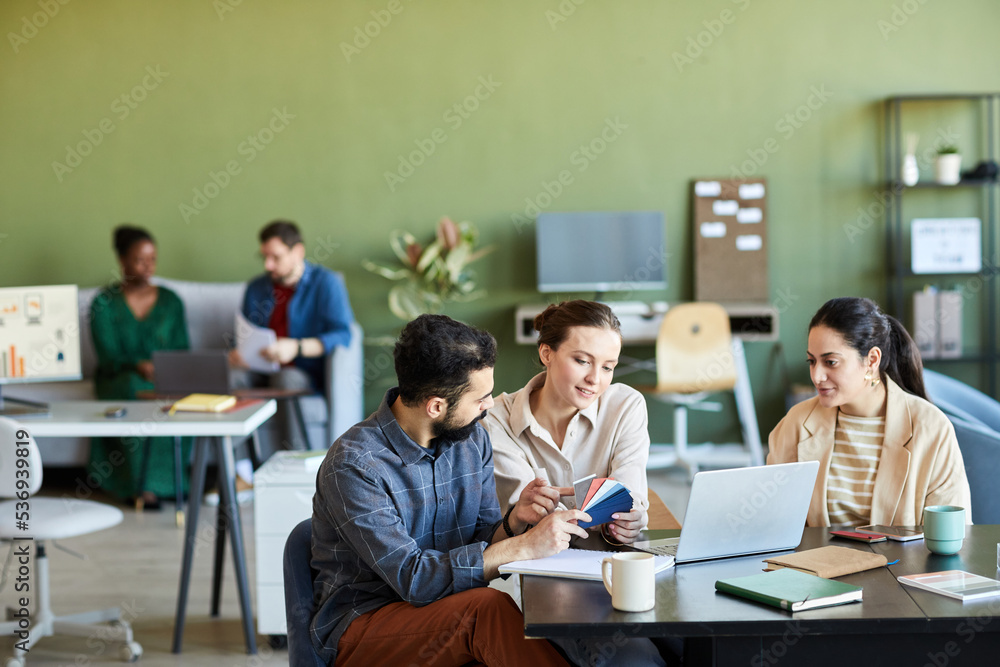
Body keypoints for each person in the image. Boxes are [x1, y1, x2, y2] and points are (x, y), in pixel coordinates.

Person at [311, 314, 588, 666]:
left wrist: (513, 523)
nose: (490, 406)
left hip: (449, 609)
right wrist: (524, 546)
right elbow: (415, 580)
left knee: (522, 613)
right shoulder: (354, 466)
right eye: (481, 399)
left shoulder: (472, 439)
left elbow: (481, 538)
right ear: (436, 406)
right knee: (485, 612)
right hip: (364, 623)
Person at [767, 297, 972, 527]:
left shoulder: (932, 427)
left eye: (831, 362)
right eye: (812, 361)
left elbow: (954, 535)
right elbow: (774, 521)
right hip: (815, 562)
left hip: (901, 564)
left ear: (872, 360)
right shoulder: (797, 423)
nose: (816, 376)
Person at [487, 300, 651, 545]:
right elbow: (526, 519)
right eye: (582, 361)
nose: (594, 379)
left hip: (611, 560)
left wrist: (629, 519)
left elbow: (629, 497)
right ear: (547, 354)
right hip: (539, 562)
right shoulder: (497, 420)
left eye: (608, 367)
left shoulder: (625, 406)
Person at [229, 219, 355, 450]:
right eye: (264, 257)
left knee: (285, 379)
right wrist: (238, 353)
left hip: (301, 371)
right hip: (259, 368)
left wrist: (295, 347)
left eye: (275, 257)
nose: (268, 265)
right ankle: (239, 469)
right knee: (232, 375)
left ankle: (294, 461)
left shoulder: (325, 284)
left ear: (297, 252)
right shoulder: (256, 288)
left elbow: (343, 334)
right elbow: (244, 332)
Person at [89, 225, 191, 508]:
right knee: (136, 389)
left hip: (167, 377)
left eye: (152, 260)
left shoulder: (170, 301)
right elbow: (108, 356)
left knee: (184, 396)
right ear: (122, 261)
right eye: (139, 260)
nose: (147, 267)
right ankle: (140, 486)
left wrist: (166, 368)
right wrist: (138, 364)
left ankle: (172, 483)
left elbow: (183, 349)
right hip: (120, 377)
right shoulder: (104, 303)